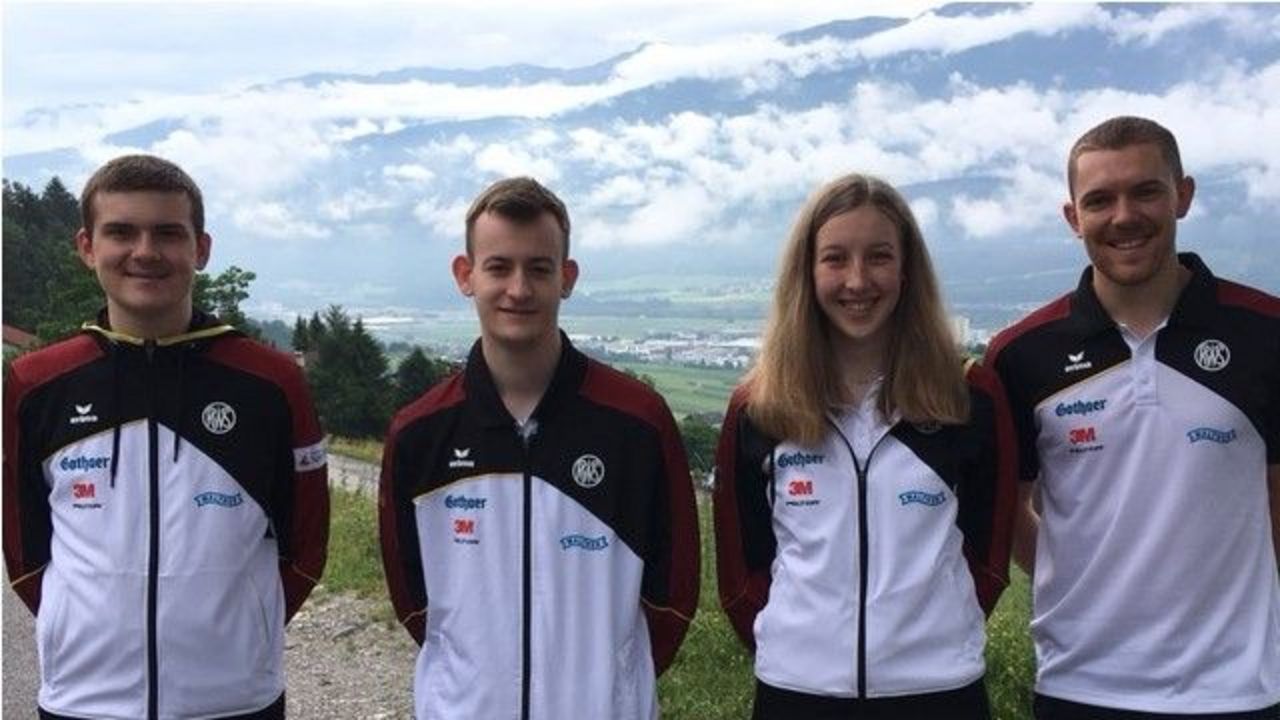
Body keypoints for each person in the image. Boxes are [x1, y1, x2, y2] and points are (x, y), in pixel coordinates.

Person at [3, 155, 329, 719]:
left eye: (167, 233)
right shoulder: (36, 383)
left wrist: (239, 636)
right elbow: (25, 551)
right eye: (122, 232)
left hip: (235, 702)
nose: (145, 252)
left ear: (201, 248)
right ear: (87, 246)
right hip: (83, 702)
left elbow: (305, 547)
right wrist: (74, 625)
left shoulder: (272, 382)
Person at [985, 115, 1280, 719]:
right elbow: (1008, 507)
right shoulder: (1021, 354)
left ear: (1183, 195)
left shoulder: (1265, 333)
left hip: (1238, 690)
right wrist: (1084, 581)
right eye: (1100, 200)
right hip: (1080, 686)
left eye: (1145, 191)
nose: (1124, 216)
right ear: (1073, 218)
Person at [378, 176, 700, 720]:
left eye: (539, 268)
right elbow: (414, 603)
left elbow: (673, 596)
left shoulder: (637, 422)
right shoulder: (419, 432)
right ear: (466, 275)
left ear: (567, 278)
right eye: (499, 267)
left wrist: (609, 682)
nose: (519, 290)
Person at [714, 172, 1017, 719]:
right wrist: (803, 647)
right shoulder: (759, 407)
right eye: (835, 259)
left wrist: (935, 631)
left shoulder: (968, 396)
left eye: (879, 256)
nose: (858, 280)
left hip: (938, 690)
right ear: (807, 273)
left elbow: (989, 557)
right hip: (797, 691)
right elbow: (743, 569)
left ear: (907, 270)